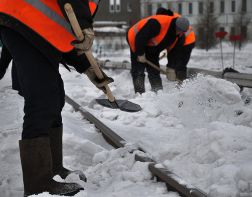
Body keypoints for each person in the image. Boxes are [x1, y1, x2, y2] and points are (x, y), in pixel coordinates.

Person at [0, 0, 112, 196]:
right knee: (42, 97)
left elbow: (66, 33)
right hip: (22, 17)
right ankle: (38, 183)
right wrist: (85, 25)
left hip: (36, 25)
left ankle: (53, 168)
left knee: (55, 96)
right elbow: (75, 24)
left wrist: (89, 68)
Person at [127, 12, 190, 94]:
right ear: (175, 26)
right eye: (180, 31)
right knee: (138, 70)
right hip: (136, 39)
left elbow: (174, 53)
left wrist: (171, 68)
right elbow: (141, 37)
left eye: (183, 32)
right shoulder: (157, 24)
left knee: (154, 70)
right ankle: (140, 94)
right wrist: (140, 53)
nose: (181, 34)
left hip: (152, 47)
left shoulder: (179, 37)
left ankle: (158, 92)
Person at [156, 7, 196, 82]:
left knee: (180, 64)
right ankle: (177, 80)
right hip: (182, 41)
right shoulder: (170, 17)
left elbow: (179, 37)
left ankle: (181, 82)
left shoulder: (173, 19)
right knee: (176, 63)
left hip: (187, 42)